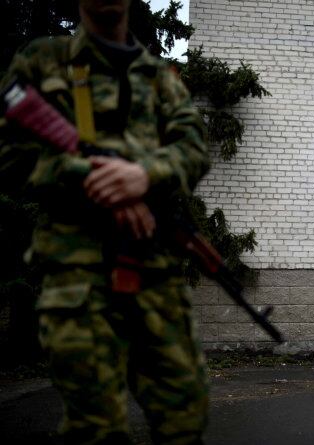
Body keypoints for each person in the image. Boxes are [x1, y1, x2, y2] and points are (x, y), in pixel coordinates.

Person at [0, 1, 210, 443]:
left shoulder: (162, 79)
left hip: (155, 274)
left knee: (185, 422)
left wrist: (142, 176)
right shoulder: (42, 61)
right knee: (95, 430)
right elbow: (11, 160)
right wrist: (91, 178)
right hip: (78, 275)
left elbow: (193, 151)